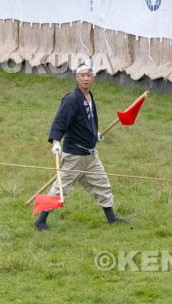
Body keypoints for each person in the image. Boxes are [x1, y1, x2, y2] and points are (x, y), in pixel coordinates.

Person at [34, 62, 125, 230]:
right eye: (82, 75)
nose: (86, 79)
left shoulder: (89, 97)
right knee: (60, 189)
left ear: (93, 78)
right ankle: (41, 220)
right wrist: (55, 142)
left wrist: (94, 133)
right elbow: (60, 121)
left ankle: (112, 218)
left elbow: (89, 120)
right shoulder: (72, 98)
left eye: (89, 75)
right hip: (74, 155)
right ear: (77, 77)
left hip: (90, 155)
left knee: (102, 184)